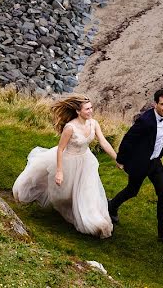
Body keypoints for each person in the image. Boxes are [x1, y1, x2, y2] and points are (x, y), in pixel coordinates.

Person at [12, 94, 117, 238]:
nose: (91, 111)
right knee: (63, 194)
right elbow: (60, 149)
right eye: (87, 109)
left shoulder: (94, 123)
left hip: (86, 161)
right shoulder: (70, 128)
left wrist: (117, 159)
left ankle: (94, 221)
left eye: (91, 108)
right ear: (78, 111)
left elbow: (104, 142)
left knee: (88, 191)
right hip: (69, 161)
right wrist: (59, 171)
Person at [108, 89, 163, 242]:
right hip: (141, 163)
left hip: (155, 162)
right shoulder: (145, 121)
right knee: (132, 190)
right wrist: (121, 160)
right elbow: (129, 139)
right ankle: (111, 206)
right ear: (155, 104)